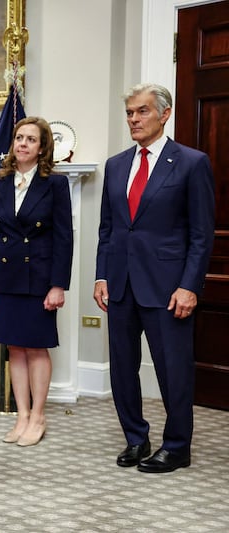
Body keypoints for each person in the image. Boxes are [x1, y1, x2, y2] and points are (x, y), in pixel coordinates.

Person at [94, 83, 214, 473]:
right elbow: (108, 229)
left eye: (141, 111)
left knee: (173, 370)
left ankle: (178, 446)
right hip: (120, 285)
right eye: (129, 112)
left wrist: (190, 285)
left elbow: (201, 234)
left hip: (168, 288)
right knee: (122, 368)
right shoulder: (115, 165)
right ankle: (135, 438)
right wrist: (100, 276)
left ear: (165, 114)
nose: (133, 119)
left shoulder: (191, 163)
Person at [0, 116, 73, 447]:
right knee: (14, 347)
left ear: (43, 147)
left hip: (39, 278)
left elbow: (63, 237)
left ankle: (39, 416)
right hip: (3, 276)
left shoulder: (55, 184)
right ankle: (22, 415)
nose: (22, 144)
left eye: (30, 139)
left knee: (36, 346)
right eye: (19, 138)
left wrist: (58, 284)